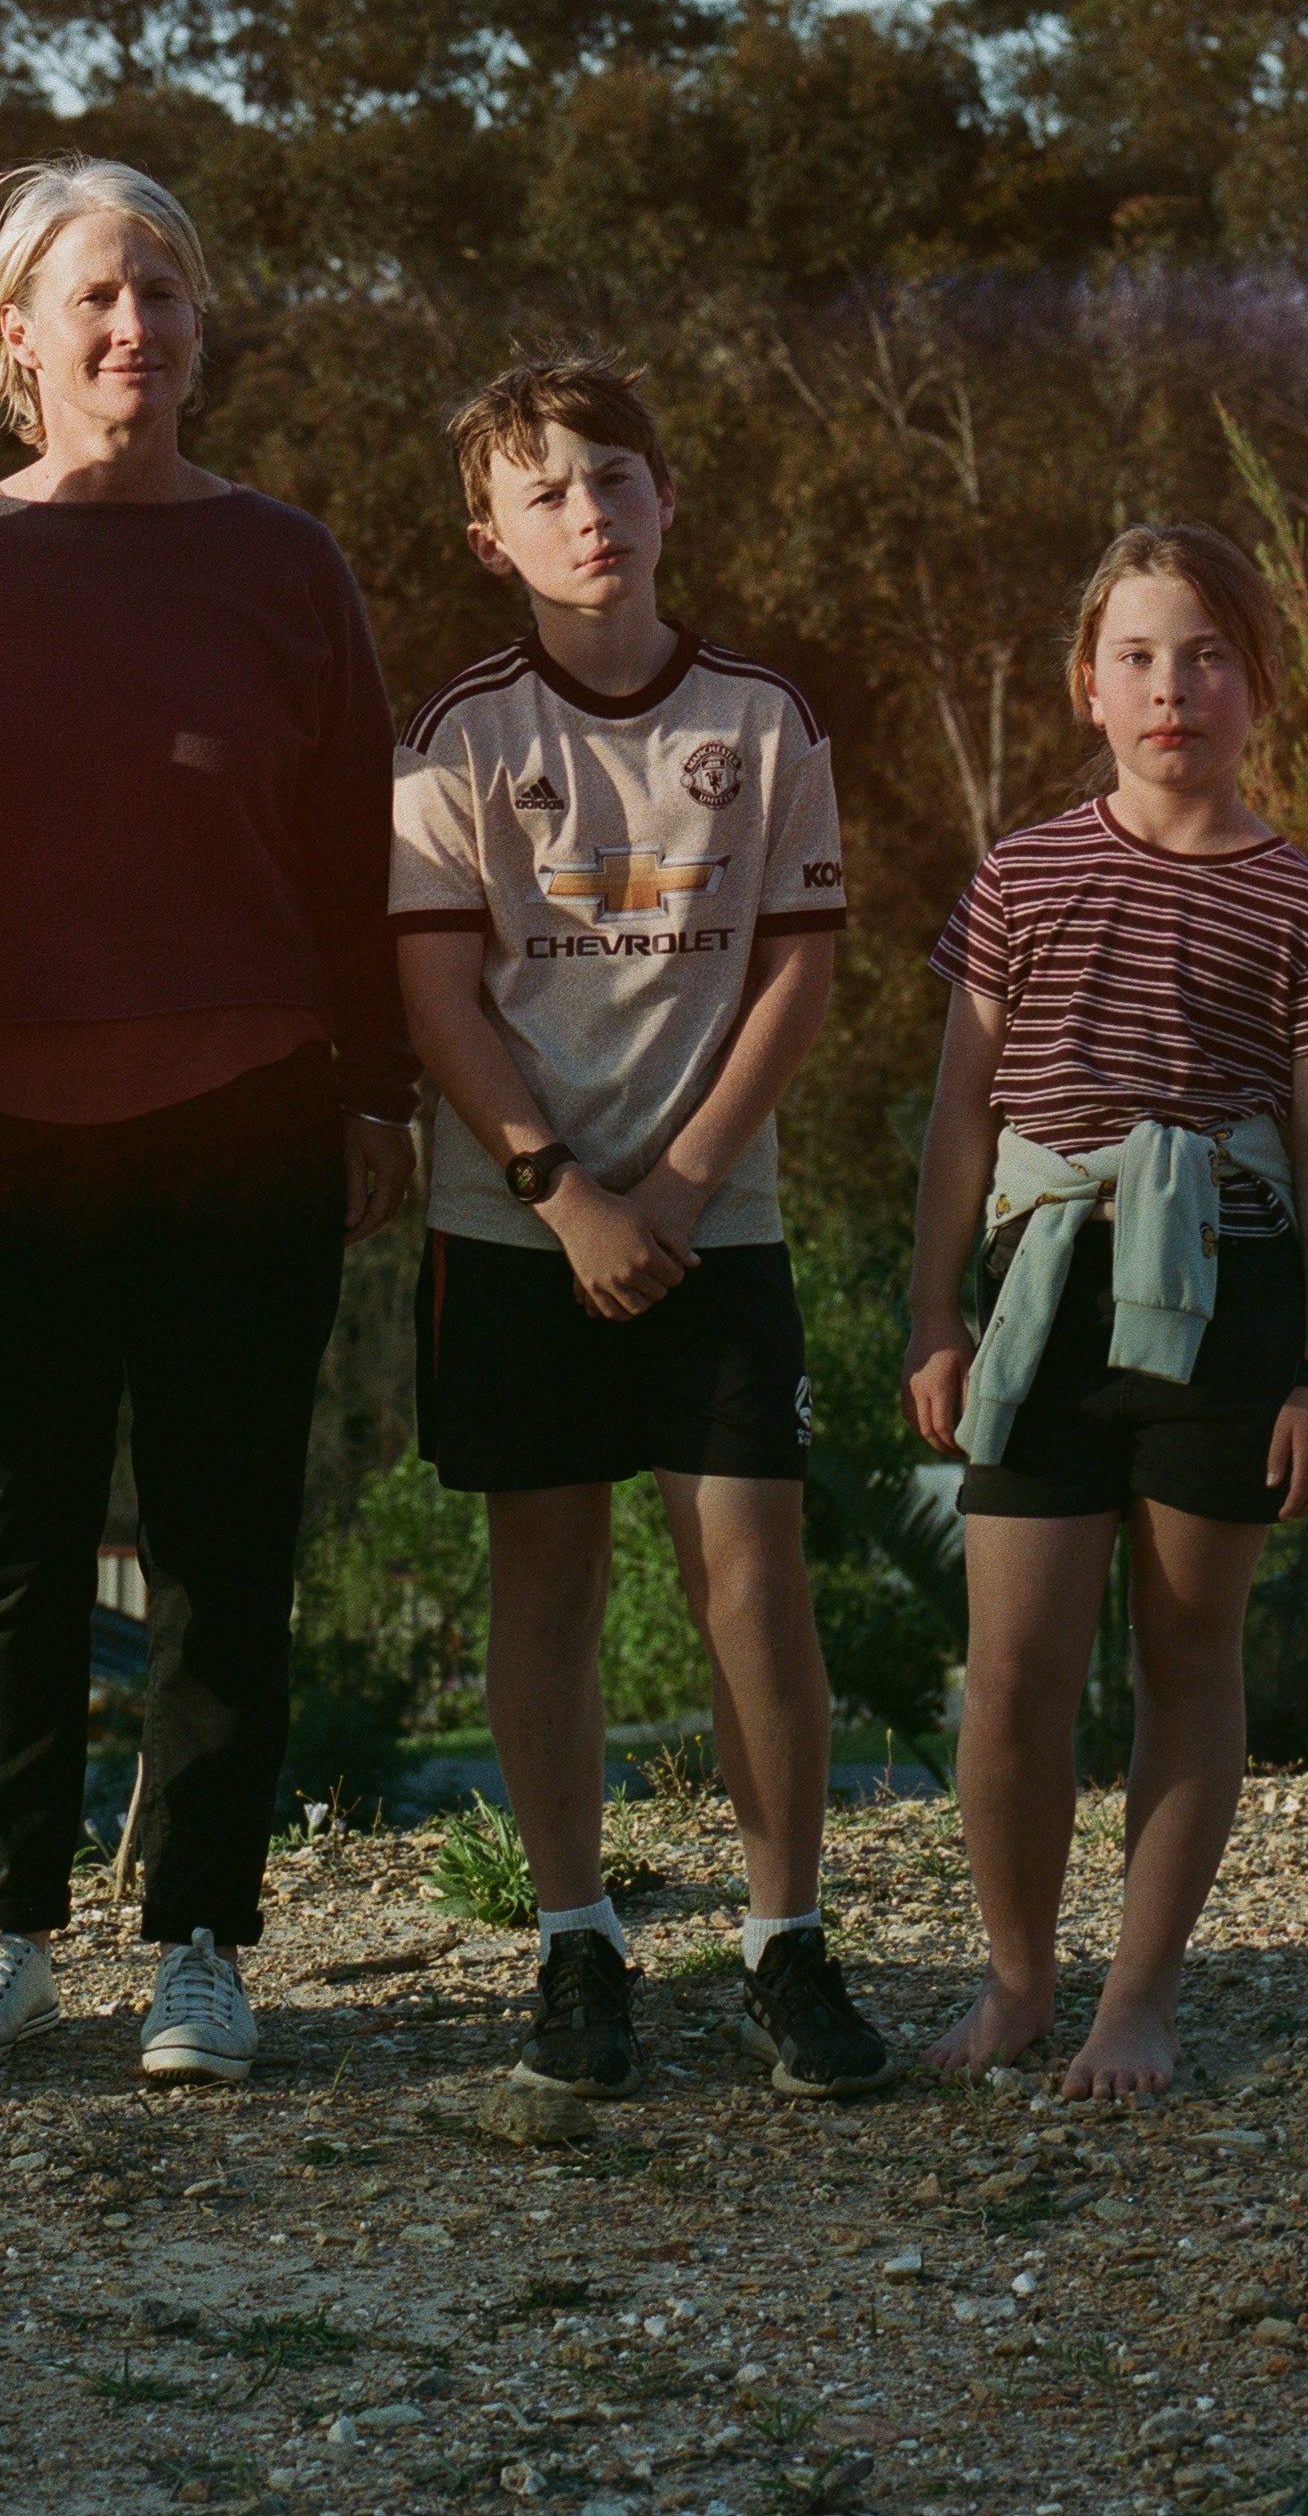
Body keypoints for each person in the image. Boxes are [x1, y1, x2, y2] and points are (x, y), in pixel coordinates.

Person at [0, 159, 416, 2087]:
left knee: (229, 1543)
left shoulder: (289, 563)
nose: (131, 327)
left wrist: (381, 1091)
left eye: (161, 291)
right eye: (91, 296)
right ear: (18, 335)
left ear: (199, 327)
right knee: (15, 1536)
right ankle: (7, 1936)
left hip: (247, 1113)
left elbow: (349, 856)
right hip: (1, 1116)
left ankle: (205, 1948)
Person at [386, 355, 890, 2101]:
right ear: (490, 536)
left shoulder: (764, 720)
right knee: (552, 1572)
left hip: (712, 1223)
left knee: (751, 1573)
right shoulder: (461, 734)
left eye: (615, 478)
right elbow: (436, 996)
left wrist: (675, 1184)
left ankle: (785, 1940)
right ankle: (574, 1939)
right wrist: (564, 1189)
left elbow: (802, 967)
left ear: (667, 500)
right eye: (545, 492)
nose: (587, 514)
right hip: (524, 1227)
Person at [901, 523, 1308, 2097]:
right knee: (1017, 1668)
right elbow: (961, 1114)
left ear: (1259, 686)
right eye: (1140, 656)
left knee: (1190, 1653)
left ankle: (1140, 1999)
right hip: (1041, 1294)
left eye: (1210, 655)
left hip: (1225, 1301)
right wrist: (934, 1320)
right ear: (1087, 688)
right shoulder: (1023, 870)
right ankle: (1022, 1979)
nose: (1175, 687)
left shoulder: (1303, 903)